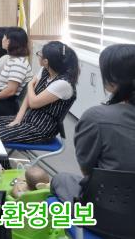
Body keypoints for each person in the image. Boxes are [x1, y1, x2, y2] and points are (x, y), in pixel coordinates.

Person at [51, 44, 135, 203]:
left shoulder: (96, 118)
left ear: (112, 80)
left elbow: (87, 170)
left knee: (60, 179)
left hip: (105, 207)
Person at [0, 41, 79, 143]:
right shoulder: (45, 70)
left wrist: (30, 84)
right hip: (27, 117)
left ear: (46, 61)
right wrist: (18, 118)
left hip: (41, 127)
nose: (38, 55)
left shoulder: (63, 84)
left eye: (39, 54)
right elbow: (30, 96)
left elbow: (33, 103)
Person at [0, 27, 33, 118]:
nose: (2, 40)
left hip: (9, 104)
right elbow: (0, 85)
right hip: (2, 99)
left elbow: (10, 91)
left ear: (9, 41)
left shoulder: (18, 63)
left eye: (4, 37)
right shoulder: (12, 59)